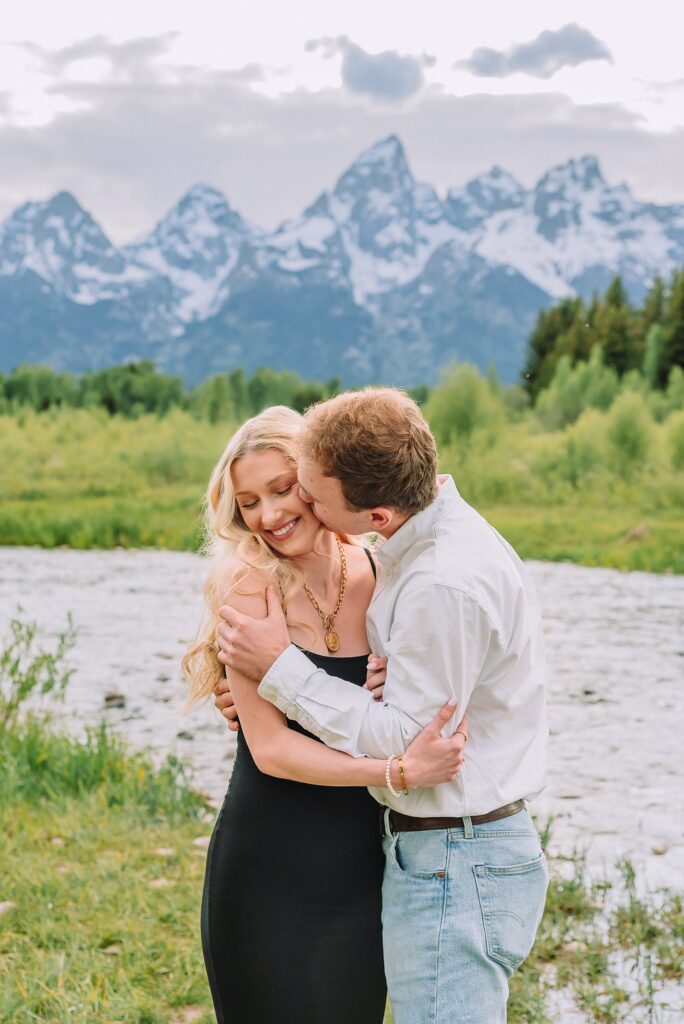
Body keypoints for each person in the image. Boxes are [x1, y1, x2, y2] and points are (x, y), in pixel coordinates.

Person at [216, 388, 549, 1024]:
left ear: (377, 513)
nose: (289, 508)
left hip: (449, 854)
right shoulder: (415, 552)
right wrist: (247, 686)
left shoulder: (428, 578)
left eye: (305, 491)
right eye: (250, 500)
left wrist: (282, 672)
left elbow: (405, 734)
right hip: (391, 852)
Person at [182, 405, 468, 1024]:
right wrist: (396, 771)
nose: (270, 516)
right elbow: (273, 751)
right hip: (267, 862)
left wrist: (400, 682)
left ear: (318, 480)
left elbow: (420, 691)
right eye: (249, 501)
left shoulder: (378, 568)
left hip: (362, 865)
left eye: (283, 490)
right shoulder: (249, 581)